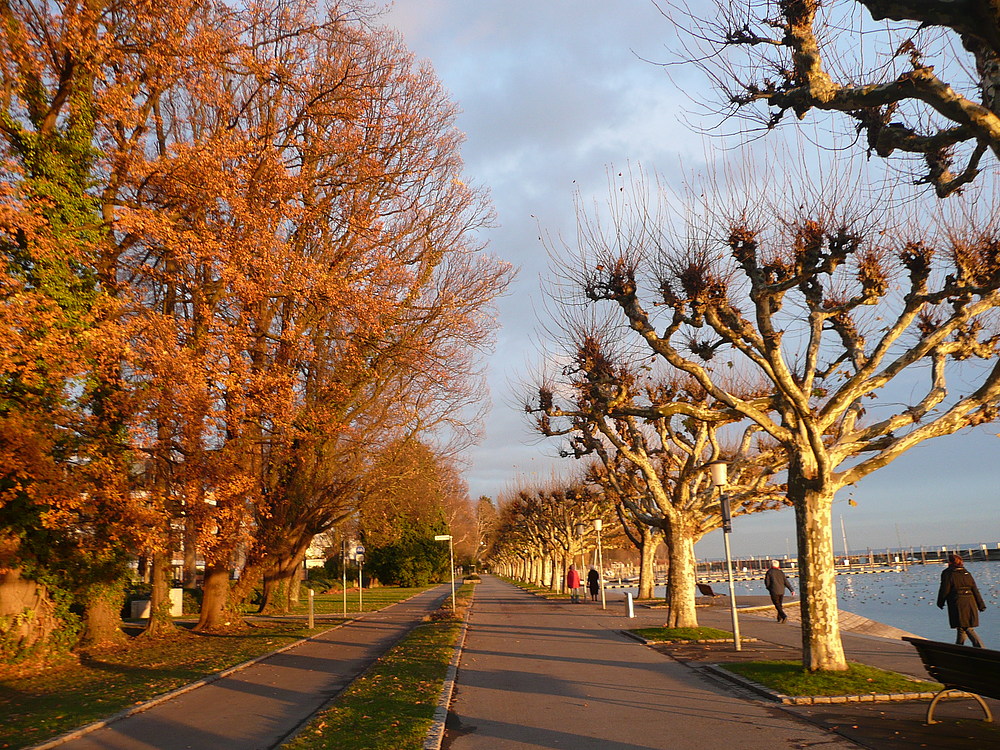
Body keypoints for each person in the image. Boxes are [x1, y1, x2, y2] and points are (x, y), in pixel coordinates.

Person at [937, 553, 986, 647]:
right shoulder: (966, 573)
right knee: (961, 627)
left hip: (957, 602)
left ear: (950, 562)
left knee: (967, 627)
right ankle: (958, 647)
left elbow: (944, 589)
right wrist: (980, 604)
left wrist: (940, 602)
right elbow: (974, 589)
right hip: (970, 601)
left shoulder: (948, 573)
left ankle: (981, 648)